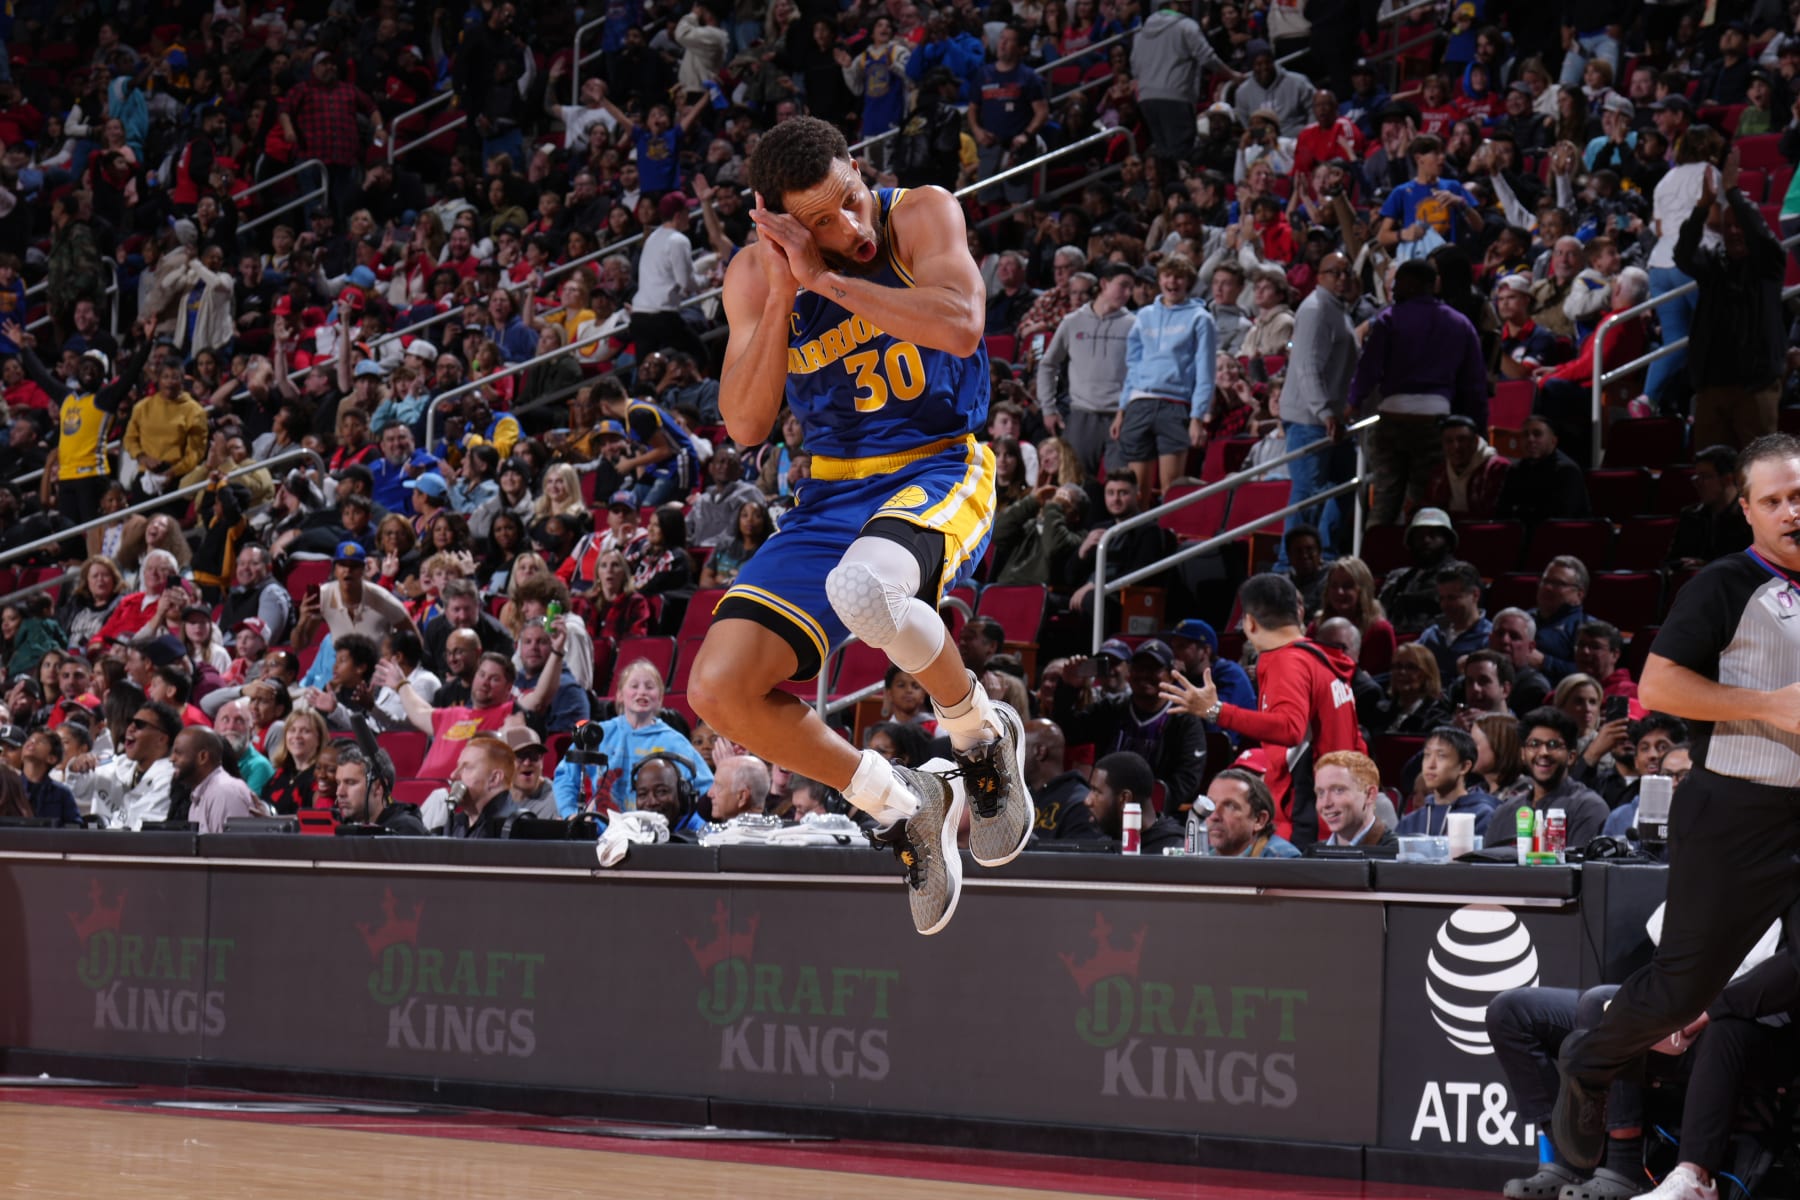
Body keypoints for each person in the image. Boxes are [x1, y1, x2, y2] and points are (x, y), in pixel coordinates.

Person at [693, 116, 1030, 937]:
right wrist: (785, 289)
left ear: (859, 170)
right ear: (773, 220)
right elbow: (743, 425)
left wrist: (831, 278)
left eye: (848, 202)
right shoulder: (750, 278)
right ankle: (900, 801)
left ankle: (979, 732)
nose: (846, 228)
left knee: (865, 589)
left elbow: (959, 323)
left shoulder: (919, 212)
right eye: (817, 222)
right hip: (830, 494)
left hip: (939, 463)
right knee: (719, 689)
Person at [1553, 433, 1800, 1171]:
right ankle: (1590, 1061)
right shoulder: (1727, 584)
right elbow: (1658, 688)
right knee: (1676, 990)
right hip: (1739, 812)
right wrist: (1771, 707)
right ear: (1749, 511)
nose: (1792, 511)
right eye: (1775, 500)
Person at [1161, 574, 1364, 844]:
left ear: (1250, 622)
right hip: (1337, 813)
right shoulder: (1323, 661)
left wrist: (1215, 711)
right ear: (1298, 612)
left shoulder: (1286, 660)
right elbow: (1356, 743)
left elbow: (1290, 728)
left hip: (1306, 818)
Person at [1347, 258, 1488, 525]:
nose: (1393, 289)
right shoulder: (1460, 324)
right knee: (1427, 501)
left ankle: (1374, 561)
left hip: (1391, 419)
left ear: (1410, 285)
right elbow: (1474, 384)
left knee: (1385, 501)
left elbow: (1369, 367)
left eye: (1398, 283)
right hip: (1434, 421)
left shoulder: (1389, 319)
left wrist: (1353, 401)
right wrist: (1478, 427)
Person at [1677, 154, 1785, 451]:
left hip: (1755, 386)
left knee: (1759, 468)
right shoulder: (1713, 265)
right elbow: (1683, 254)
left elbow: (1761, 236)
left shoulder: (1769, 265)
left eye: (1741, 226)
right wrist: (1701, 208)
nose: (1735, 231)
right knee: (1711, 469)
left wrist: (1734, 194)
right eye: (1729, 226)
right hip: (1712, 386)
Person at [1052, 640, 1208, 820]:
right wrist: (1068, 687)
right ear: (1129, 673)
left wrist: (1149, 810)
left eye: (1153, 669)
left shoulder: (1184, 719)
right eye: (1139, 668)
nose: (1144, 674)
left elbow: (1186, 779)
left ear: (1171, 675)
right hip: (1103, 810)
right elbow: (1067, 733)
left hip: (1157, 817)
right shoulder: (1111, 708)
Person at [1114, 252, 1214, 509]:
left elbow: (1205, 370)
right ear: (1159, 279)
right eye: (1168, 276)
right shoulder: (1144, 316)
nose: (1172, 282)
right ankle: (1138, 544)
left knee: (1171, 488)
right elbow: (1133, 366)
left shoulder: (1200, 318)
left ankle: (1168, 541)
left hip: (1175, 404)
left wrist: (1197, 417)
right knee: (1137, 491)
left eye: (1179, 277)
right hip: (1139, 403)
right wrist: (1122, 409)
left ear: (1187, 282)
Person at [1280, 252, 1358, 553]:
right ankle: (1290, 560)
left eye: (1346, 272)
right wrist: (1324, 410)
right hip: (1309, 419)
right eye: (1333, 272)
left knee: (1345, 485)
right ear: (1319, 276)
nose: (1341, 278)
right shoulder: (1315, 309)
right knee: (1308, 495)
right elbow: (1307, 365)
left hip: (1332, 418)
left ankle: (1325, 552)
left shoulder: (1338, 309)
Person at [1036, 261, 1134, 480]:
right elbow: (1048, 364)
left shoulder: (1134, 324)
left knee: (1119, 483)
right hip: (1082, 414)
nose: (1128, 293)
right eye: (1123, 285)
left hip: (1120, 416)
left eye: (1131, 287)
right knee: (1075, 483)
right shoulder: (1073, 322)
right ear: (1104, 284)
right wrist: (1048, 408)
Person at [1485, 707, 1610, 851]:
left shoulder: (1588, 807)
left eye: (1553, 745)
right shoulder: (1505, 812)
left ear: (1571, 757)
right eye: (1534, 744)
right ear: (1523, 754)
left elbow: (1579, 870)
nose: (1543, 752)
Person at [1494, 415, 1592, 527]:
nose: (1530, 439)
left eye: (1537, 434)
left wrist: (1520, 511)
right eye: (1525, 435)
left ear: (1553, 441)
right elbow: (1501, 512)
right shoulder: (1515, 470)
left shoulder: (1566, 471)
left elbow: (1559, 519)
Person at [1397, 725, 1494, 837]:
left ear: (1464, 767)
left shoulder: (1482, 816)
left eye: (1441, 756)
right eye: (1427, 755)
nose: (1431, 765)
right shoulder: (1410, 822)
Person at [1021, 718, 1105, 842]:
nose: (1014, 758)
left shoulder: (1079, 804)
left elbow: (1076, 859)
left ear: (1040, 752)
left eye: (1020, 750)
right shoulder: (1022, 798)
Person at [1670, 445, 1752, 569]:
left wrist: (1707, 566)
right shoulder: (1691, 516)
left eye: (1705, 477)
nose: (1697, 483)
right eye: (1697, 477)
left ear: (1727, 479)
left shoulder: (1751, 518)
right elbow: (1671, 561)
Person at [171, 726, 264, 834]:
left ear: (203, 757)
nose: (171, 759)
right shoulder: (202, 794)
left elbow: (233, 848)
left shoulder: (224, 792)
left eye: (178, 753)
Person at [1086, 751, 1183, 852]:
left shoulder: (1175, 854)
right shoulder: (1105, 844)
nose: (1087, 801)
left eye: (1096, 791)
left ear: (1125, 798)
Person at [333, 742, 428, 834]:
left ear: (378, 787)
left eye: (350, 783)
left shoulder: (405, 832)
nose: (339, 793)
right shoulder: (342, 824)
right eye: (338, 783)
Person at [1204, 768, 1300, 858]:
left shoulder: (1283, 860)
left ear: (1259, 820)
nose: (1214, 816)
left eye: (1230, 806)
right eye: (1210, 804)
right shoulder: (1200, 852)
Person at [1314, 751, 1398, 849]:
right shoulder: (1310, 856)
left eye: (1338, 790)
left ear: (1370, 795)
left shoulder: (1397, 856)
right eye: (1321, 793)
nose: (1326, 803)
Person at [445, 734, 519, 839]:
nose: (453, 775)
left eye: (467, 768)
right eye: (458, 766)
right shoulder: (456, 822)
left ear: (494, 779)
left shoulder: (511, 828)